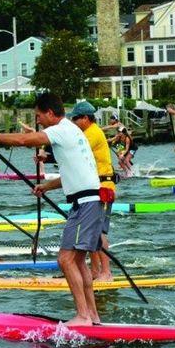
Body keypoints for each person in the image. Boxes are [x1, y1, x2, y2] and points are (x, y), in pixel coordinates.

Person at [0, 93, 104, 326]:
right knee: (78, 261)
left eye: (39, 117)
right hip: (88, 202)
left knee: (65, 260)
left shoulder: (61, 130)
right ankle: (92, 316)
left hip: (85, 205)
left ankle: (83, 316)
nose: (38, 121)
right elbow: (74, 172)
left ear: (50, 113)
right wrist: (46, 187)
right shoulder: (73, 130)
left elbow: (25, 141)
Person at [66, 102, 116, 282]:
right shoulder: (87, 132)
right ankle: (94, 271)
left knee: (99, 233)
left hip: (103, 188)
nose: (73, 122)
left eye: (75, 118)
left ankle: (106, 272)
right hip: (93, 188)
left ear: (86, 118)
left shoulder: (92, 133)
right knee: (91, 232)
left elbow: (72, 150)